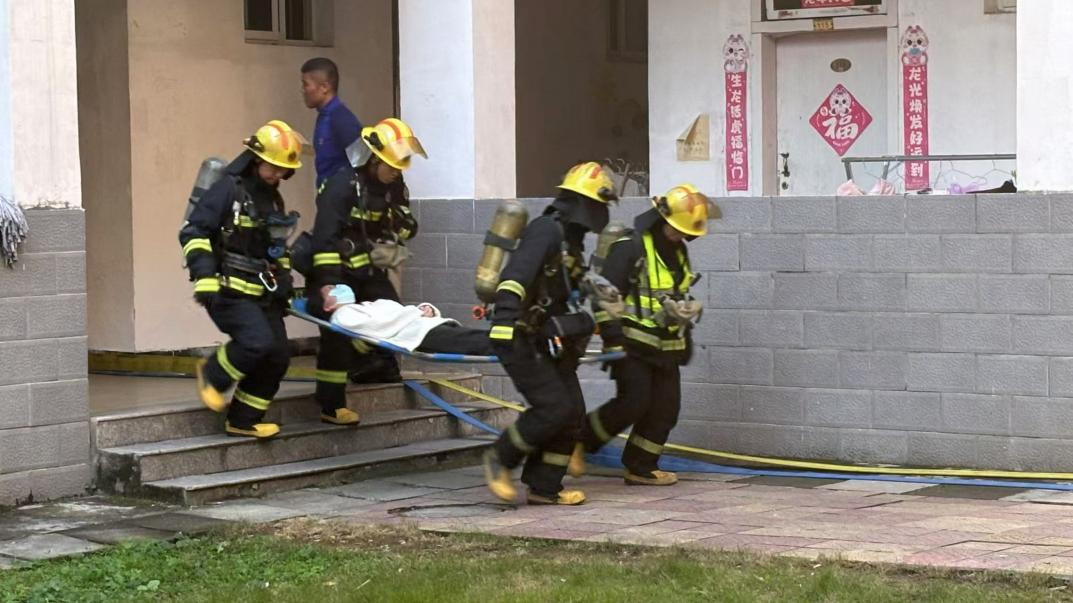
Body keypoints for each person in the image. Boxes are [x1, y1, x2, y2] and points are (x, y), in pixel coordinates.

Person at [482, 162, 618, 506]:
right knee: (553, 407)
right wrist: (506, 318)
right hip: (520, 333)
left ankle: (545, 487)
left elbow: (561, 290)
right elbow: (516, 274)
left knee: (572, 412)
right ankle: (500, 458)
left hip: (548, 339)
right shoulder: (546, 231)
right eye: (599, 205)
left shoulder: (571, 242)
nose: (601, 213)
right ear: (583, 203)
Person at [569, 184, 715, 485]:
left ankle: (641, 466)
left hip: (666, 346)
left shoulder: (678, 251)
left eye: (686, 233)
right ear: (663, 219)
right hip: (631, 343)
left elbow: (671, 293)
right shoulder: (630, 247)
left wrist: (684, 319)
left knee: (666, 408)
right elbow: (604, 296)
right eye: (678, 230)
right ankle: (577, 444)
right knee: (632, 403)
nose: (683, 236)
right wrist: (613, 339)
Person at [179, 120, 310, 438]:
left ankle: (243, 419)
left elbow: (276, 248)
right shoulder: (229, 189)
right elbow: (194, 232)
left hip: (263, 292)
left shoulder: (273, 199)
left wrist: (285, 285)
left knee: (278, 356)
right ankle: (212, 375)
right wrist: (205, 276)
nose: (278, 175)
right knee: (256, 342)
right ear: (255, 158)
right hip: (228, 290)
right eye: (273, 167)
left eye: (283, 170)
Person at [307, 117, 426, 419]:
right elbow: (324, 238)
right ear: (373, 159)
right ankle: (332, 405)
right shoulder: (341, 186)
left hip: (369, 270)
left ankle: (371, 366)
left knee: (393, 315)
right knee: (337, 333)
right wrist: (328, 284)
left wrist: (399, 229)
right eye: (391, 165)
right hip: (336, 272)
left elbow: (406, 225)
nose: (396, 171)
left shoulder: (393, 184)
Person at [323, 285, 493, 356]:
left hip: (426, 326)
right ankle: (507, 344)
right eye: (330, 290)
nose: (335, 287)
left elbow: (399, 312)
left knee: (472, 337)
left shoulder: (370, 305)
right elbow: (381, 326)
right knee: (475, 341)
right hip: (417, 334)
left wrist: (426, 309)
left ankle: (506, 341)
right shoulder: (342, 315)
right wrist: (416, 312)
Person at [301, 57, 363, 188]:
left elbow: (361, 162)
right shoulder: (324, 116)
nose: (303, 90)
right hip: (327, 194)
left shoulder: (341, 118)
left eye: (306, 84)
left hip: (341, 197)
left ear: (324, 87)